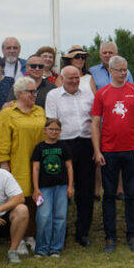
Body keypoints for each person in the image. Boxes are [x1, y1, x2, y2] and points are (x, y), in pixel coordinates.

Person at [91, 55, 134, 253]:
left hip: (132, 150)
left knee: (132, 194)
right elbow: (95, 124)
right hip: (109, 151)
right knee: (109, 195)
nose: (123, 73)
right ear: (111, 71)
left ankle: (132, 235)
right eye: (119, 70)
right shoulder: (102, 94)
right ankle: (110, 237)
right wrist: (97, 150)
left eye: (125, 70)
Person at [45, 65, 96, 247]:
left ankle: (82, 232)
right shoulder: (53, 96)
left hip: (86, 143)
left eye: (76, 78)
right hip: (63, 144)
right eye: (70, 78)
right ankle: (61, 231)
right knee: (62, 190)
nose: (74, 81)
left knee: (86, 190)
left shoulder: (88, 93)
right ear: (62, 79)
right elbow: (51, 121)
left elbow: (95, 118)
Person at [0, 75, 46, 252]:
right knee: (19, 200)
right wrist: (4, 164)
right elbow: (1, 141)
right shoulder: (8, 113)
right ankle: (18, 238)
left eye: (35, 91)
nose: (35, 95)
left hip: (38, 164)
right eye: (31, 92)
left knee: (35, 201)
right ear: (20, 93)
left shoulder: (40, 111)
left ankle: (31, 235)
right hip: (18, 163)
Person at [31, 118, 74, 258]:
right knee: (43, 216)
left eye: (57, 129)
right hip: (44, 188)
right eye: (51, 129)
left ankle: (56, 248)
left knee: (60, 216)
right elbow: (36, 169)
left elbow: (69, 167)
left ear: (60, 132)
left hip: (61, 187)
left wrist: (70, 186)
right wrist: (36, 189)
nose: (54, 132)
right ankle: (42, 248)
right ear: (45, 130)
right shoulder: (39, 148)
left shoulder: (64, 146)